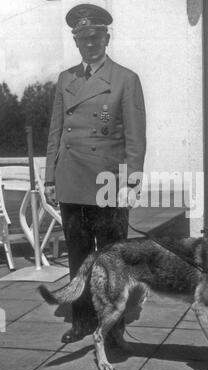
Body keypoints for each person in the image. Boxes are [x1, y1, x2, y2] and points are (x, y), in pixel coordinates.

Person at [44, 3, 146, 343]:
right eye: (83, 38)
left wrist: (133, 178)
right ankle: (82, 320)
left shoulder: (125, 79)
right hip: (72, 179)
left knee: (113, 258)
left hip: (108, 182)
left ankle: (114, 323)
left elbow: (135, 137)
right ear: (76, 41)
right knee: (78, 254)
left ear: (107, 37)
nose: (90, 43)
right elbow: (56, 132)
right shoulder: (65, 79)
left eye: (96, 37)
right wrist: (48, 177)